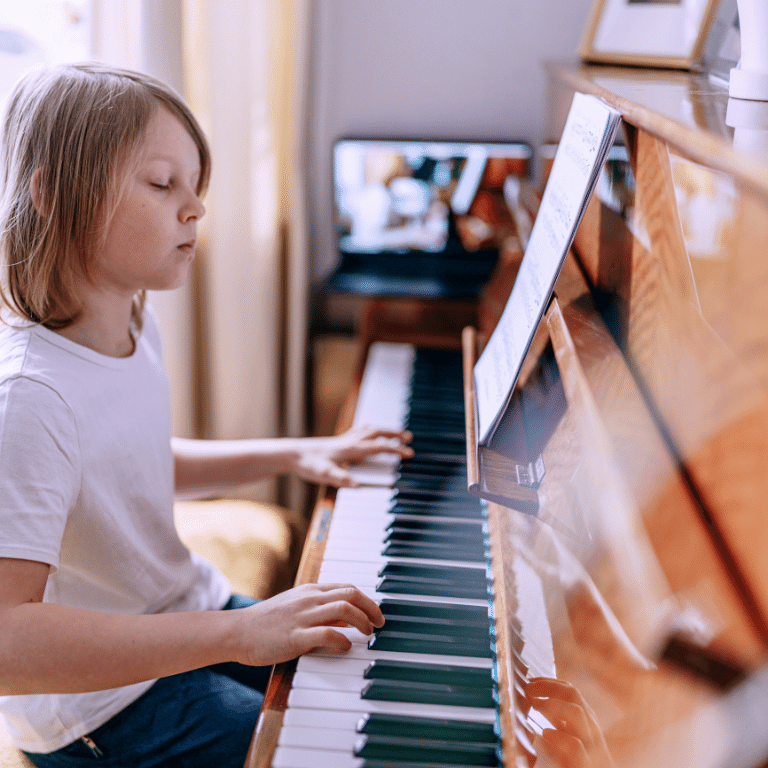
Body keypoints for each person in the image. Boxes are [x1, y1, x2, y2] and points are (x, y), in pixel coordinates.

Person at [0, 62, 413, 767]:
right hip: (102, 707)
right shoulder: (30, 399)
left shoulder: (135, 320)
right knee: (321, 751)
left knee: (374, 674)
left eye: (197, 188)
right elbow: (10, 641)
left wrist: (294, 452)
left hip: (180, 610)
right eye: (163, 185)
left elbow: (134, 463)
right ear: (51, 194)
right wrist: (237, 635)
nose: (194, 209)